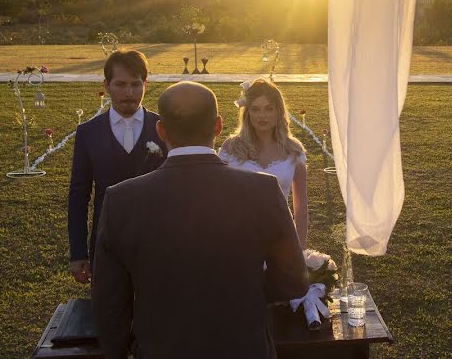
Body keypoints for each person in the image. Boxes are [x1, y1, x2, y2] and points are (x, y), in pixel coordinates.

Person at [91, 82, 308, 359]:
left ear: (160, 131)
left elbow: (108, 304)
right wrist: (247, 287)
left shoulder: (121, 199)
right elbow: (293, 280)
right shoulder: (263, 191)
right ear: (217, 126)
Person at [67, 49, 167, 284]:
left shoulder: (164, 128)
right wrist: (79, 252)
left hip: (158, 242)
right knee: (110, 314)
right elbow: (79, 194)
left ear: (145, 83)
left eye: (135, 84)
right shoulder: (88, 133)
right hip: (107, 242)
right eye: (120, 84)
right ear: (107, 85)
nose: (129, 93)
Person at [218, 78, 309, 248]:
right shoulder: (230, 147)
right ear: (247, 113)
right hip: (237, 236)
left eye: (268, 109)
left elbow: (301, 207)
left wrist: (301, 251)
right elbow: (218, 197)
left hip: (280, 235)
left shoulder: (293, 150)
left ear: (278, 111)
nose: (262, 116)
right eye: (255, 109)